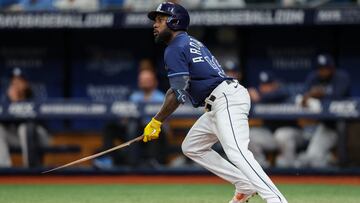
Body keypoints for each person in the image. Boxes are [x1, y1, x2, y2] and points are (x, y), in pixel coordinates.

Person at [144, 2, 287, 203]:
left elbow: (177, 93)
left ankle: (276, 200)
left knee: (236, 151)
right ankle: (244, 184)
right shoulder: (189, 42)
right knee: (192, 146)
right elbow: (180, 88)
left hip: (225, 99)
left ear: (175, 21)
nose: (155, 25)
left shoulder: (175, 47)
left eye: (160, 20)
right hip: (219, 101)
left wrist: (157, 120)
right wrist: (157, 120)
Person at [94, 64, 166, 169]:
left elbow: (164, 119)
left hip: (152, 131)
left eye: (147, 79)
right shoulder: (134, 96)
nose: (144, 82)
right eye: (142, 80)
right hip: (133, 129)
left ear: (154, 82)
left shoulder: (160, 97)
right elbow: (126, 117)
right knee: (111, 127)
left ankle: (152, 161)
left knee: (152, 130)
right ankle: (108, 158)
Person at [0, 68, 50, 168]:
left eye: (19, 81)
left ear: (26, 83)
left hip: (40, 136)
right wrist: (12, 103)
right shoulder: (7, 98)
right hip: (18, 138)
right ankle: (4, 168)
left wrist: (19, 103)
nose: (16, 84)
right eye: (14, 81)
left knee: (25, 128)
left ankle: (30, 169)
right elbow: (4, 121)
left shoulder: (35, 94)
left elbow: (33, 123)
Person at [247, 71, 292, 168]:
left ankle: (290, 166)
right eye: (263, 85)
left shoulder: (283, 92)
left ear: (275, 84)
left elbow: (284, 93)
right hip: (271, 134)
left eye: (268, 85)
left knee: (282, 135)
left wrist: (260, 97)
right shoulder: (260, 98)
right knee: (250, 135)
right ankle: (260, 166)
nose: (265, 88)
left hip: (290, 132)